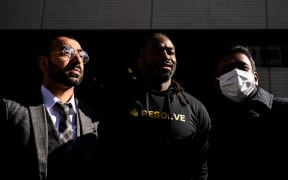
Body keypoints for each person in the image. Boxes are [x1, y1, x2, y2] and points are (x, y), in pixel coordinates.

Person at [100, 33, 211, 180]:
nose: (167, 56)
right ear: (141, 62)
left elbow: (200, 168)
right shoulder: (117, 102)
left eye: (171, 52)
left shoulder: (195, 107)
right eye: (158, 51)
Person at [0, 36, 101, 180]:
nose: (78, 61)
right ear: (43, 63)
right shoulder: (9, 110)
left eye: (82, 55)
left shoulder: (92, 117)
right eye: (68, 52)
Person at [206, 44, 288, 180]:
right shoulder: (209, 121)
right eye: (228, 69)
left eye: (243, 67)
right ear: (217, 84)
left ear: (255, 78)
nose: (236, 74)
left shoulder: (284, 110)